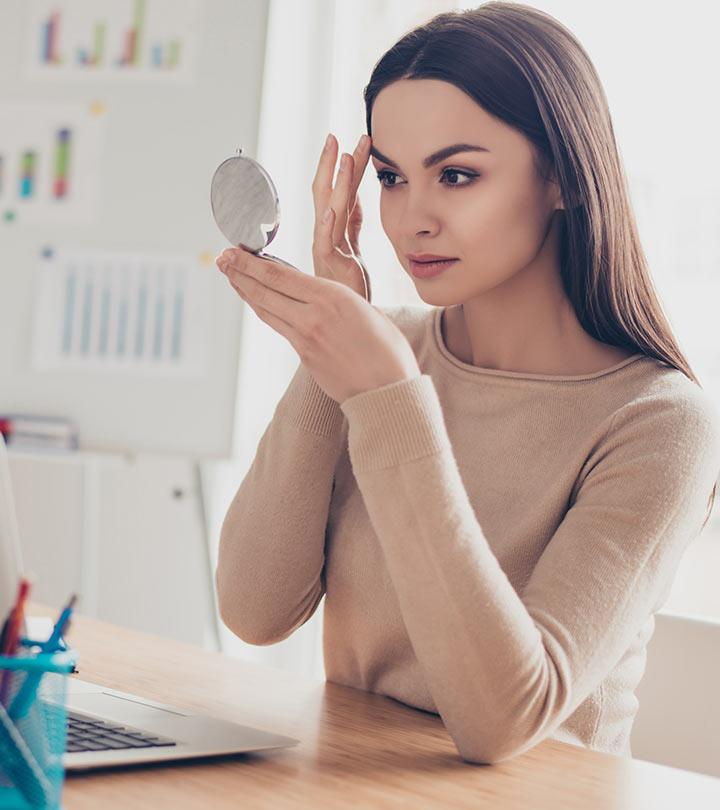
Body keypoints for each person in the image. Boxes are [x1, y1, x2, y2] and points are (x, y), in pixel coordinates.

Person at [214, 1, 720, 765]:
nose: (413, 218)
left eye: (456, 175)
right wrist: (330, 356)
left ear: (561, 179)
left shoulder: (659, 423)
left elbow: (502, 722)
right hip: (352, 784)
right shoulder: (379, 353)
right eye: (390, 177)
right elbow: (254, 611)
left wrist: (385, 396)